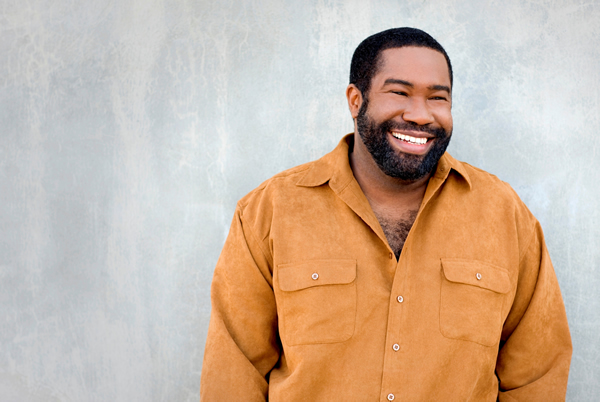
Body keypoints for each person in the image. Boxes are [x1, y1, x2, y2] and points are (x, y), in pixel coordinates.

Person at [200, 27, 572, 401]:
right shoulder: (270, 211)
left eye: (438, 98)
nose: (420, 114)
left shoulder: (504, 215)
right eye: (399, 92)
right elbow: (234, 373)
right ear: (355, 100)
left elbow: (537, 375)